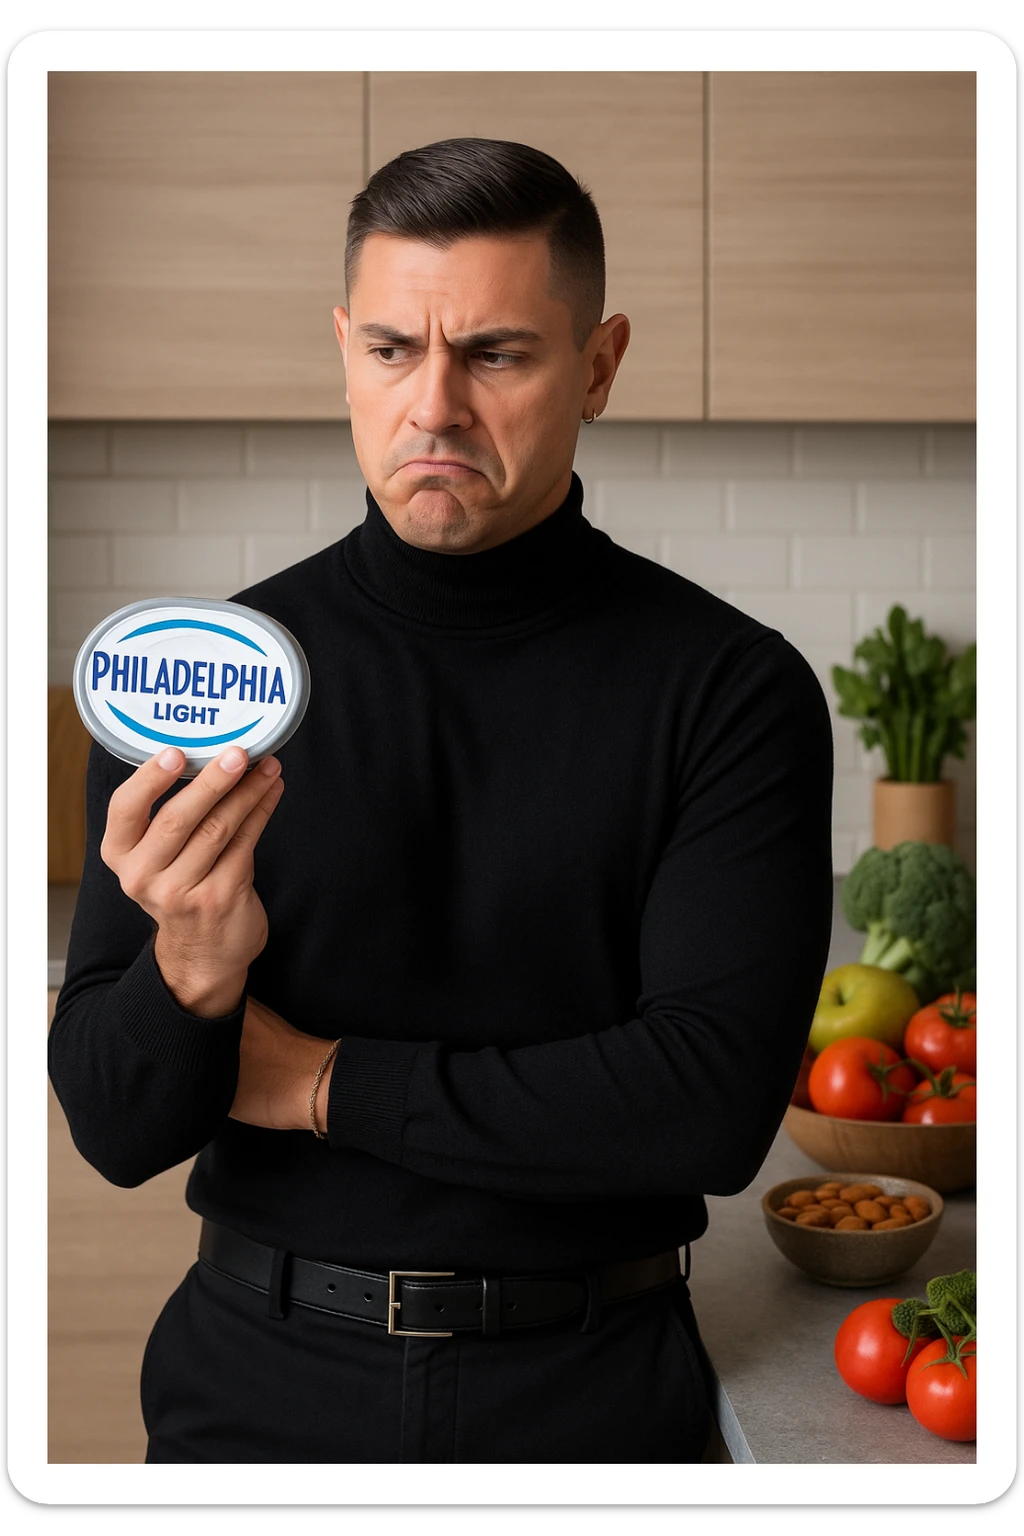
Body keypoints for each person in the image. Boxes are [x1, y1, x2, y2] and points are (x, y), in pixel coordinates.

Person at [48, 137, 834, 1466]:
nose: (435, 407)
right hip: (254, 1386)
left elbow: (706, 1110)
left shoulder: (730, 690)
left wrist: (320, 1084)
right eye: (393, 350)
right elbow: (118, 1131)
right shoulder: (195, 688)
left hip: (593, 1397)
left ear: (599, 365)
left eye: (496, 354)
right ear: (344, 352)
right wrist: (189, 972)